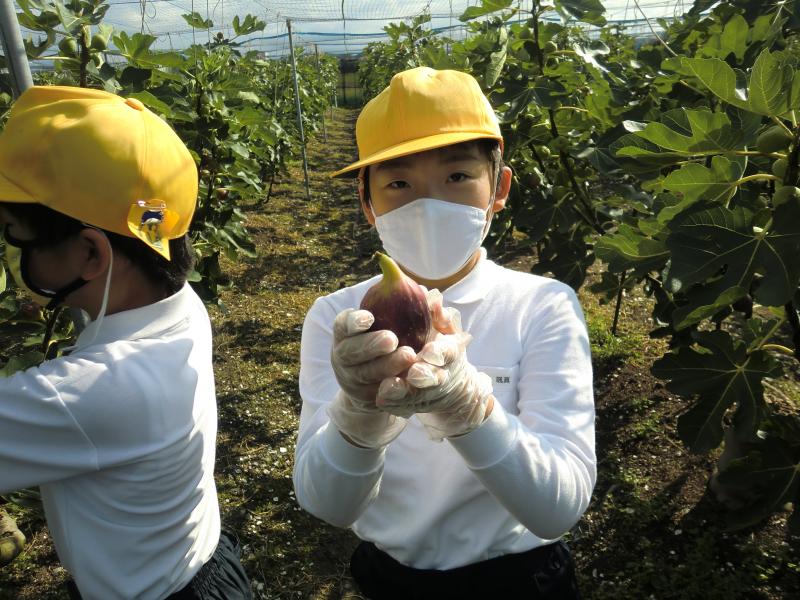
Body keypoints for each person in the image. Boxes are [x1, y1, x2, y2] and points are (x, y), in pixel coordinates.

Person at [293, 66, 596, 599]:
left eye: (457, 177)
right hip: (392, 580)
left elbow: (558, 509)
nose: (428, 205)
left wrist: (468, 409)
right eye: (399, 184)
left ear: (499, 188)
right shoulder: (338, 319)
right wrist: (359, 412)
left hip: (520, 581)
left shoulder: (543, 306)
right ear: (367, 203)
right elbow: (327, 504)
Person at [0, 86, 251, 600]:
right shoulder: (181, 305)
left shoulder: (86, 395)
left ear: (92, 254)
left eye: (13, 234)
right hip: (203, 560)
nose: (8, 250)